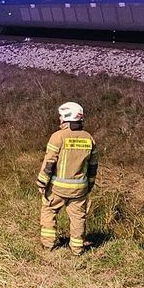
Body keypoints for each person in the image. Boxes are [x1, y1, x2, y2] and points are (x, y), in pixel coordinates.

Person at [36, 101, 98, 254]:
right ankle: (77, 248)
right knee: (78, 218)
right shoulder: (89, 139)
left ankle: (48, 245)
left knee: (49, 211)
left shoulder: (58, 137)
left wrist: (42, 182)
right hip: (80, 190)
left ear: (66, 118)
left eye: (61, 117)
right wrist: (89, 185)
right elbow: (93, 166)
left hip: (57, 188)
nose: (60, 120)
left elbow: (49, 163)